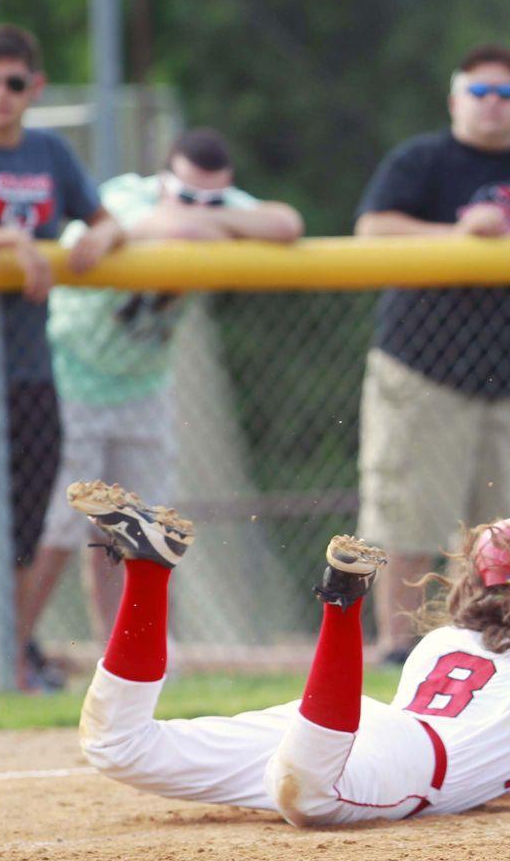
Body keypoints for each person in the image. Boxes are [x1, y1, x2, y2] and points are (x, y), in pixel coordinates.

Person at [72, 480, 510, 824]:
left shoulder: (443, 639)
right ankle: (343, 603)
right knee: (307, 800)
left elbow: (486, 719)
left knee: (119, 747)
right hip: (388, 755)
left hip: (345, 723)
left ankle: (149, 573)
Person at [353, 44, 510, 663]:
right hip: (423, 371)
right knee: (408, 513)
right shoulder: (424, 160)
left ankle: (489, 641)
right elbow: (372, 229)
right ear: (455, 99)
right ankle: (399, 645)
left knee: (504, 524)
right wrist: (455, 236)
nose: (493, 106)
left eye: (505, 94)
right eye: (480, 93)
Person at [18, 128, 303, 656]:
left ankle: (124, 651)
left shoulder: (214, 205)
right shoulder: (127, 193)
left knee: (136, 529)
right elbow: (150, 223)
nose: (200, 207)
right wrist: (199, 222)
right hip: (73, 378)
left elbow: (286, 223)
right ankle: (13, 652)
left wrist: (204, 216)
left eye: (214, 198)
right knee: (57, 528)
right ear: (162, 178)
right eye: (188, 194)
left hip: (142, 386)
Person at [0, 24, 126, 688]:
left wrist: (104, 235)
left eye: (15, 83)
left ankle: (7, 659)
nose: (2, 95)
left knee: (15, 522)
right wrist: (8, 241)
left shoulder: (49, 151)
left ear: (35, 88)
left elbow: (101, 219)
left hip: (29, 364)